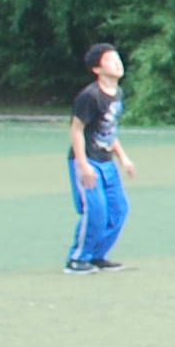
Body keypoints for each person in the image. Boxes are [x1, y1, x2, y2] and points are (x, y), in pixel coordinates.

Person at [66, 42, 134, 273]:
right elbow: (76, 130)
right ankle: (77, 259)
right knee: (96, 210)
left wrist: (123, 158)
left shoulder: (118, 94)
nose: (118, 63)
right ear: (97, 68)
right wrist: (83, 164)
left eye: (118, 58)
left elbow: (108, 130)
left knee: (119, 209)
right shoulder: (90, 96)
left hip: (107, 161)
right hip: (87, 160)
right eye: (110, 60)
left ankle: (98, 255)